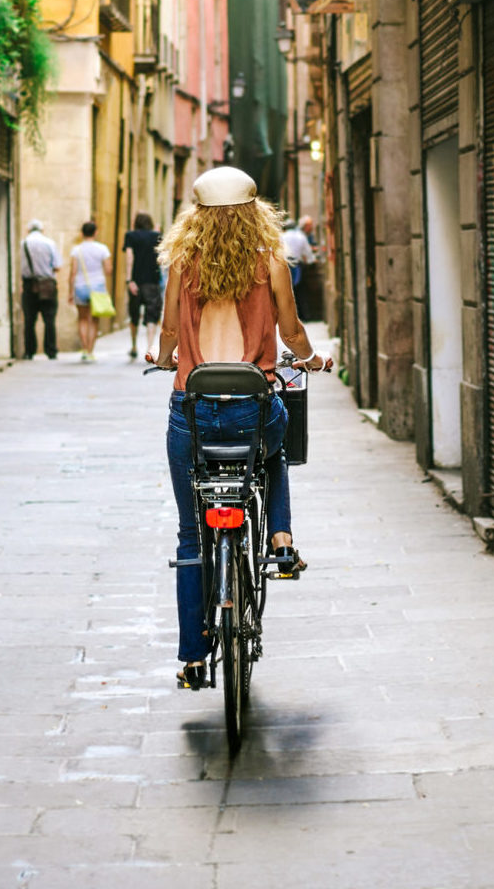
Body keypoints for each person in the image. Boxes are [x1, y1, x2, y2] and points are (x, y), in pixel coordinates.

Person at [147, 166, 333, 691]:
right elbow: (292, 330)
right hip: (252, 408)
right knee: (275, 448)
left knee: (190, 535)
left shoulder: (183, 263)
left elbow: (166, 332)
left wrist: (164, 358)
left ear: (197, 218)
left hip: (193, 409)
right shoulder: (270, 260)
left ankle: (192, 658)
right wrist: (312, 358)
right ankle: (279, 538)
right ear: (255, 212)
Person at [67, 220, 113, 362]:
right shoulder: (102, 249)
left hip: (80, 286)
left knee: (82, 319)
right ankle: (91, 351)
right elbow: (108, 270)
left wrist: (70, 292)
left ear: (82, 233)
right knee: (94, 320)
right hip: (97, 286)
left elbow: (73, 272)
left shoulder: (77, 250)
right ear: (96, 232)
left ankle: (85, 350)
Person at [19, 220, 65, 359]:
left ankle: (29, 351)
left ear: (28, 230)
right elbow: (57, 265)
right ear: (42, 230)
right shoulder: (49, 243)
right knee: (49, 319)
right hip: (47, 285)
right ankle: (51, 350)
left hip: (29, 285)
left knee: (29, 320)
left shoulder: (23, 244)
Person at [122, 212, 164, 360]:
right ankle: (149, 347)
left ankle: (133, 346)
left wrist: (129, 280)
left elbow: (129, 257)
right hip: (152, 281)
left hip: (136, 282)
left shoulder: (131, 236)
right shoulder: (156, 236)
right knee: (151, 315)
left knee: (134, 315)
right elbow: (161, 259)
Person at [279, 218, 311, 288]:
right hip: (296, 264)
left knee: (285, 286)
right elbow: (308, 253)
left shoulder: (281, 236)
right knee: (296, 286)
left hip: (284, 263)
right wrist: (310, 260)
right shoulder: (301, 236)